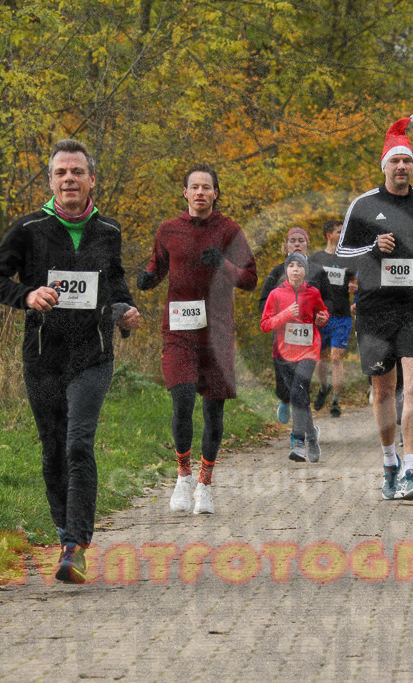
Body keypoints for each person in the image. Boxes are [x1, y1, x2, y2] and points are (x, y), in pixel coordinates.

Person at [0, 138, 141, 583]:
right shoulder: (29, 228)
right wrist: (27, 295)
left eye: (77, 172)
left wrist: (126, 311)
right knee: (53, 449)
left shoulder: (108, 231)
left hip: (93, 356)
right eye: (60, 173)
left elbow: (115, 282)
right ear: (51, 181)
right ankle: (64, 529)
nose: (69, 179)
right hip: (44, 357)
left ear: (92, 179)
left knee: (78, 443)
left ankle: (75, 546)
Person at [336, 114, 413, 501]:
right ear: (384, 166)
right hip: (374, 308)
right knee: (384, 392)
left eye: (408, 162)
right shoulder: (364, 205)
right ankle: (389, 461)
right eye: (395, 161)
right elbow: (341, 254)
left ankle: (411, 468)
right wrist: (372, 249)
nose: (402, 167)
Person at [137, 164, 257, 515]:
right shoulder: (168, 230)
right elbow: (157, 266)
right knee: (182, 398)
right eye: (195, 187)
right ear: (185, 193)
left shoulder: (230, 230)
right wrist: (147, 279)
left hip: (216, 331)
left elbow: (249, 279)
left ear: (216, 193)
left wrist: (223, 264)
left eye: (208, 187)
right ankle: (183, 476)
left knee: (213, 409)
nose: (201, 192)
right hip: (178, 327)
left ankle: (205, 483)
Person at [260, 252, 330, 461]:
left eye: (300, 266)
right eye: (291, 265)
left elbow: (323, 313)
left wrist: (322, 318)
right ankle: (311, 435)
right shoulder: (275, 295)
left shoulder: (313, 292)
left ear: (305, 271)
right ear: (286, 270)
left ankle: (299, 442)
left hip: (308, 350)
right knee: (298, 397)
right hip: (284, 353)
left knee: (299, 390)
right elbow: (265, 325)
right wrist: (286, 314)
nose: (296, 269)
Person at [309, 219, 357, 417]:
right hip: (320, 316)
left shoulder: (348, 259)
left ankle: (336, 400)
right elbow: (308, 286)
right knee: (322, 358)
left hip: (342, 315)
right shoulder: (316, 259)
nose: (342, 235)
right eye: (339, 232)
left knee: (336, 358)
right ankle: (324, 387)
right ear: (328, 235)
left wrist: (355, 291)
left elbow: (356, 283)